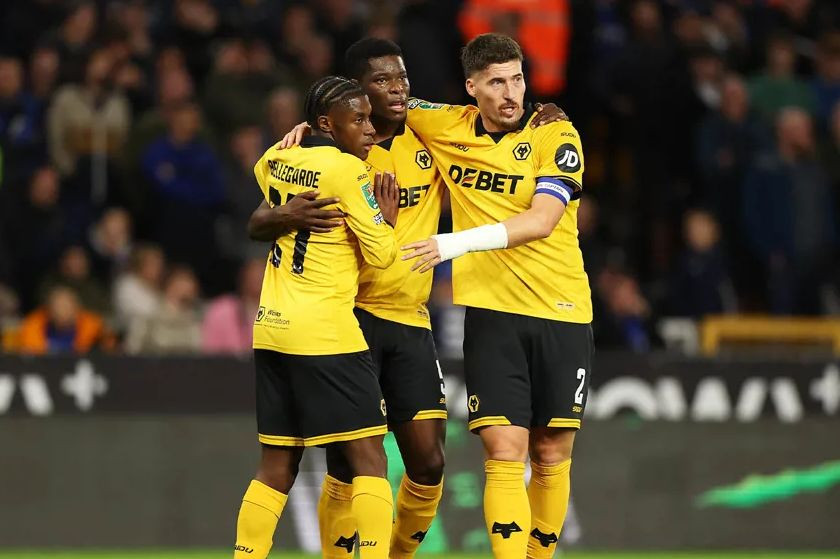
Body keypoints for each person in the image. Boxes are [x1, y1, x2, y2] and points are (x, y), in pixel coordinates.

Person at [272, 38, 566, 559]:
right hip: (348, 318)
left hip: (410, 319)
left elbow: (488, 124)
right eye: (383, 80)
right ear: (354, 92)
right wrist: (303, 137)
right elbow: (274, 211)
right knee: (349, 467)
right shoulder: (330, 154)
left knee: (428, 464)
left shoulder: (431, 134)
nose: (398, 89)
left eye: (402, 78)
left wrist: (545, 113)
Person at [401, 33, 593, 559]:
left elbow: (543, 219)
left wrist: (451, 244)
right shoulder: (446, 125)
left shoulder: (556, 135)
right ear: (472, 87)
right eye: (496, 83)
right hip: (492, 315)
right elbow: (374, 96)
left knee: (550, 453)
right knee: (504, 452)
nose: (511, 94)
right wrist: (307, 128)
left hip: (561, 310)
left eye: (517, 79)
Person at [233, 75, 399, 559]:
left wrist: (294, 141)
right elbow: (384, 255)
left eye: (370, 118)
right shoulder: (348, 171)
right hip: (325, 331)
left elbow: (264, 172)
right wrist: (386, 220)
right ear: (327, 124)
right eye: (358, 119)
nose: (370, 129)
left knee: (276, 466)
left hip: (271, 328)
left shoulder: (277, 158)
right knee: (370, 460)